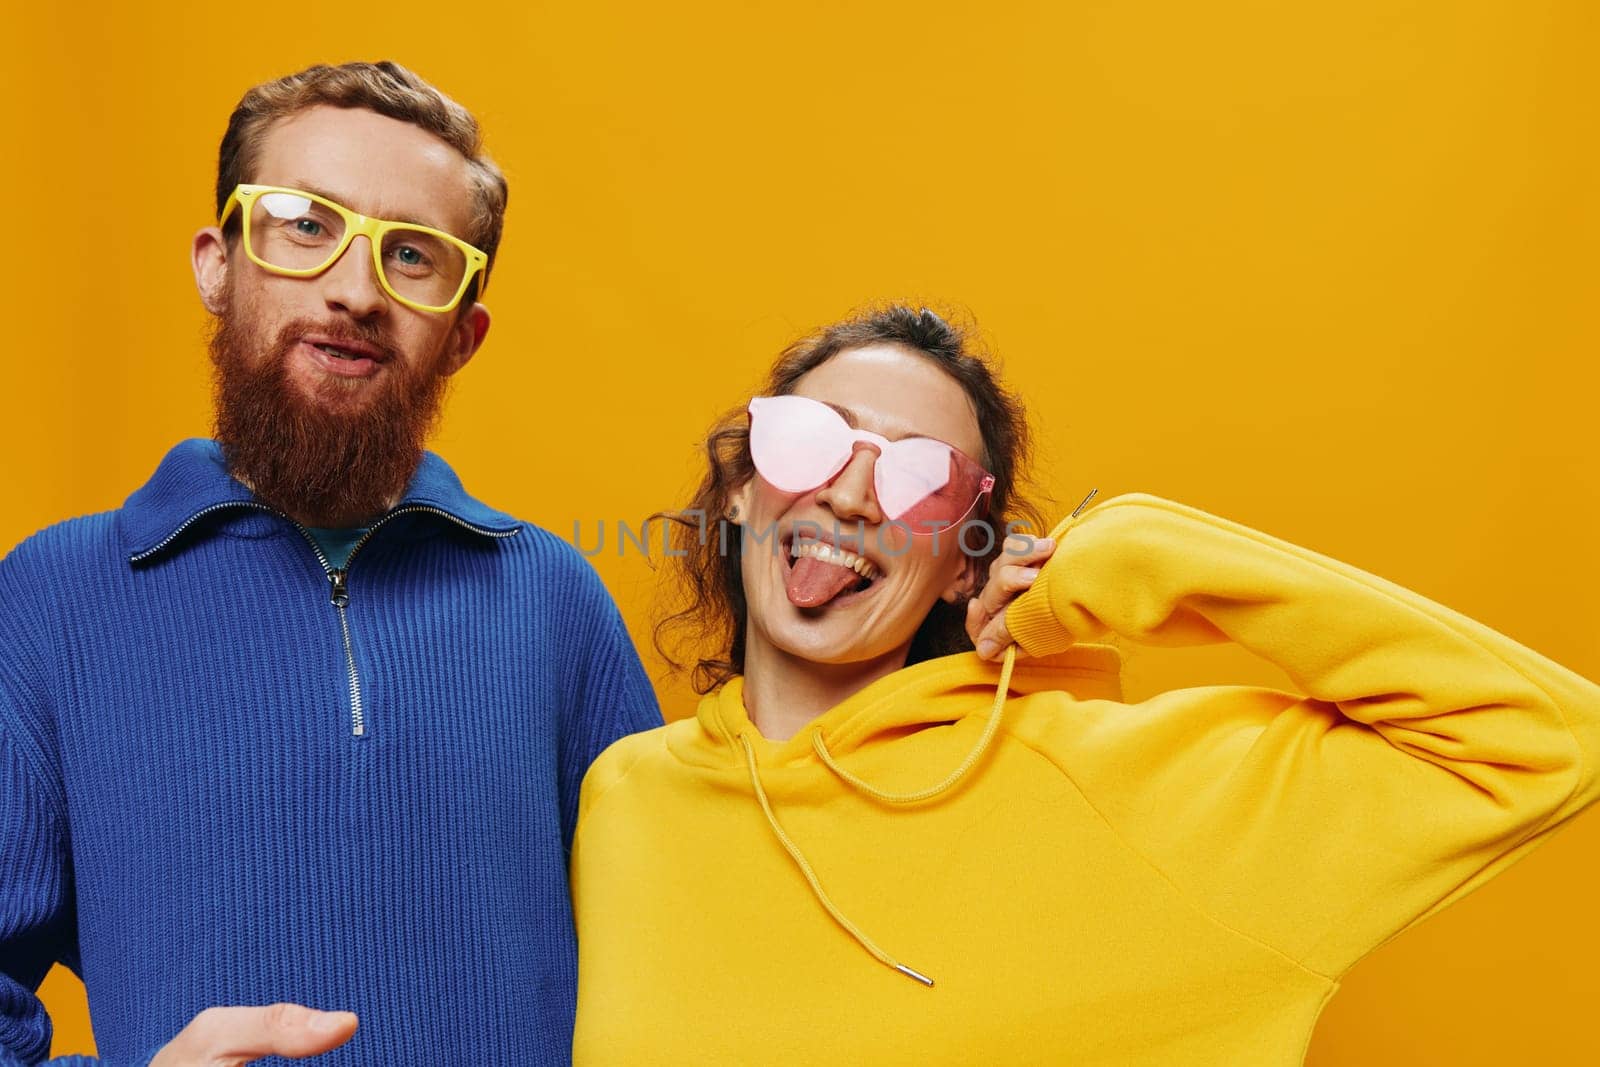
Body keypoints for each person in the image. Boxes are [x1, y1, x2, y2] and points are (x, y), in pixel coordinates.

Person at [569, 304, 1600, 1065]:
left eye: (918, 480)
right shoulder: (621, 800)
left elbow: (1544, 738)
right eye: (811, 439)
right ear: (744, 485)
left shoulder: (1128, 797)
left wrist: (1128, 556)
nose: (846, 490)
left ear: (965, 561)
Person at [0, 61, 661, 1066]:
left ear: (465, 334)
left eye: (412, 254)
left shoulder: (555, 599)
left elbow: (682, 958)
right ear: (218, 263)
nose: (354, 290)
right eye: (305, 225)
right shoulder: (52, 599)